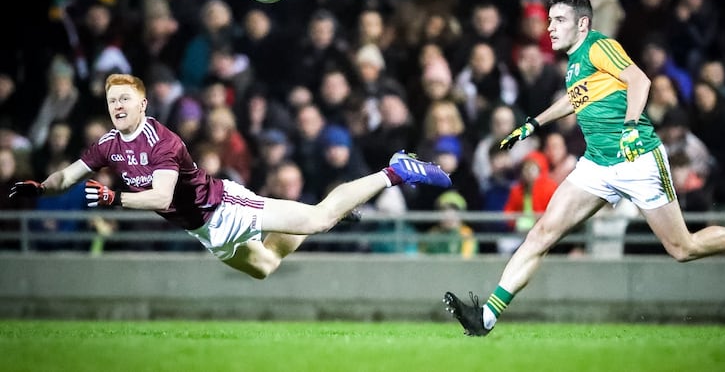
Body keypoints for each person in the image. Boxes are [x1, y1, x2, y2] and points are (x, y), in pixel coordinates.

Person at [443, 0, 725, 337]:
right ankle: (486, 317)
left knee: (683, 248)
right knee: (541, 234)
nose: (550, 27)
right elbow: (576, 99)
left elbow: (640, 79)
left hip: (637, 159)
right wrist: (533, 124)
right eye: (549, 20)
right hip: (596, 165)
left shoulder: (598, 45)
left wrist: (628, 127)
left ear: (582, 23)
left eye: (559, 20)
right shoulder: (575, 62)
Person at [8, 74, 452, 279]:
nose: (118, 107)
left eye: (125, 99)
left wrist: (113, 199)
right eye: (112, 101)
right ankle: (339, 211)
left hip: (223, 208)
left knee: (318, 217)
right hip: (204, 229)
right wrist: (41, 187)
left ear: (143, 105)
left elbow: (161, 195)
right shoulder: (108, 143)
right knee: (265, 265)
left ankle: (396, 169)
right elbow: (69, 175)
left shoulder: (163, 142)